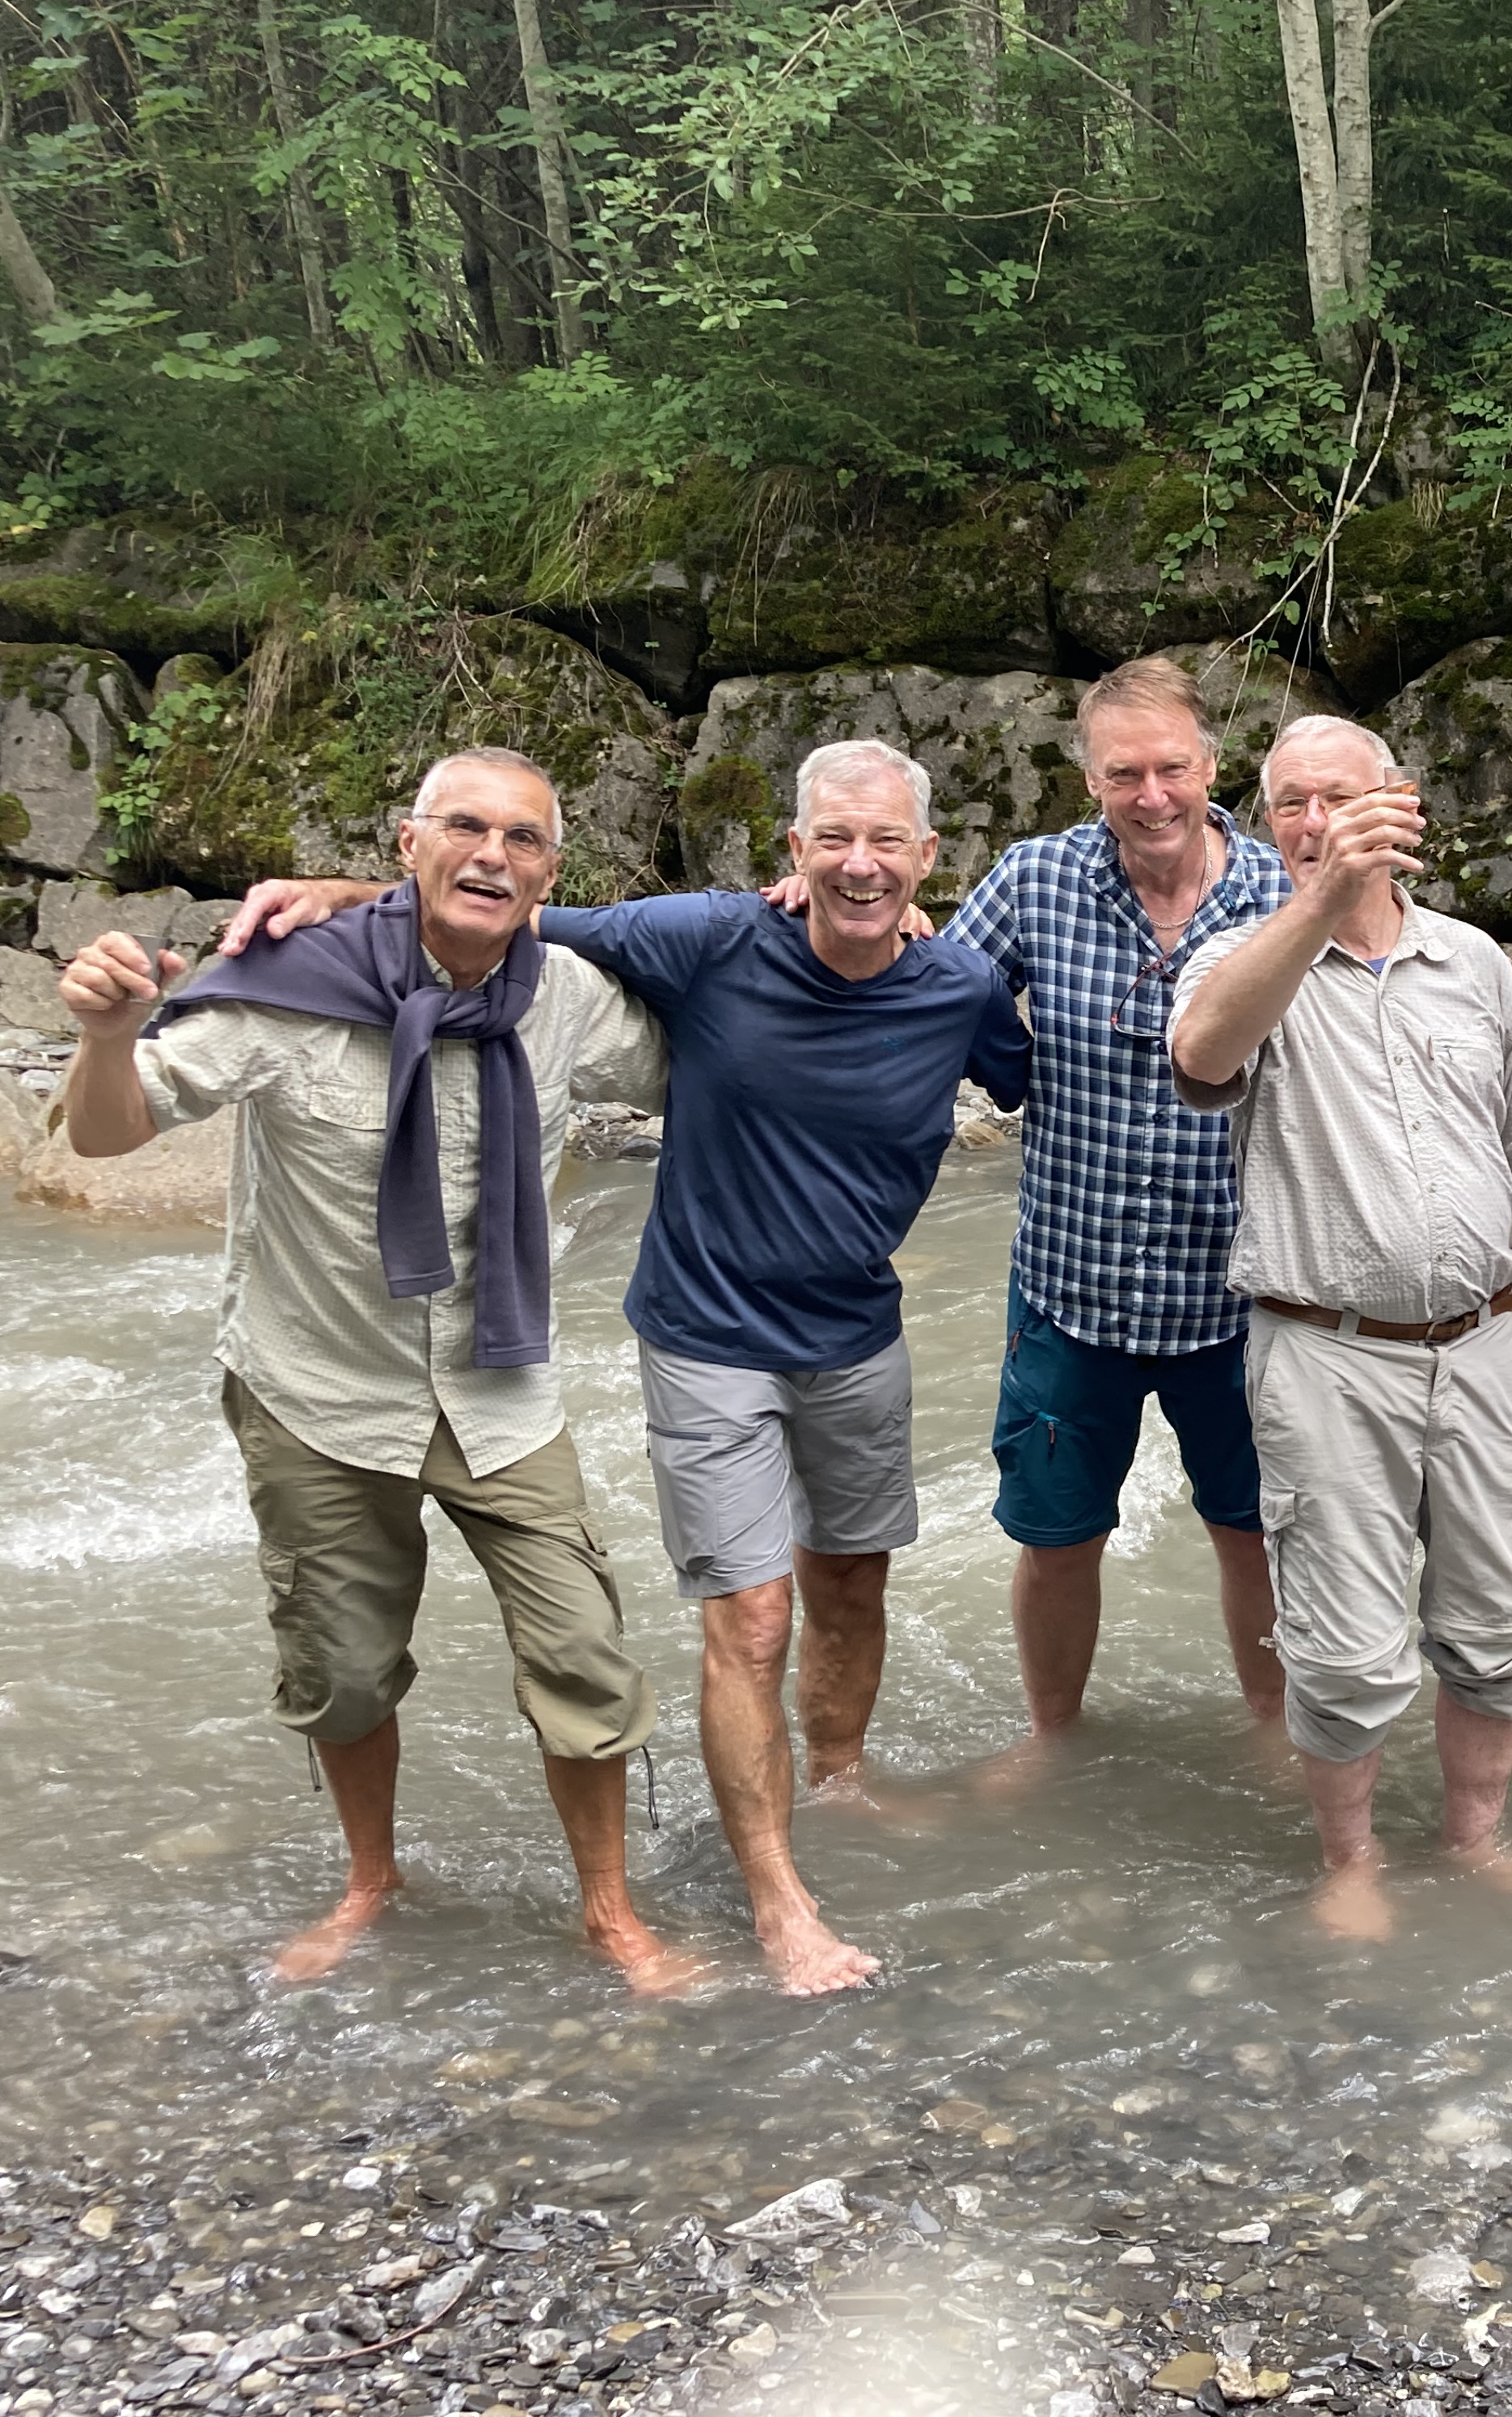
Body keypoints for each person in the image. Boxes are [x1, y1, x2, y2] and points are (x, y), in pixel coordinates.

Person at [225, 741, 1034, 1995]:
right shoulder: (705, 936)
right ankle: (778, 1899)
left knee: (851, 1584)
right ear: (793, 850)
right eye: (833, 839)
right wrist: (339, 897)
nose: (860, 865)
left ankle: (840, 1781)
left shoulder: (960, 984)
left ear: (930, 858)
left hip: (857, 1332)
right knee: (751, 1617)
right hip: (706, 1329)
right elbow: (500, 904)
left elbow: (1037, 1084)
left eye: (887, 844)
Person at [57, 749, 691, 1992]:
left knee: (584, 1655)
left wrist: (832, 923)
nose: (492, 854)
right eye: (465, 827)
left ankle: (610, 1914)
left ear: (551, 874)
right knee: (341, 1669)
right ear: (408, 845)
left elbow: (709, 1054)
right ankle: (370, 1881)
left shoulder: (566, 995)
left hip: (501, 1384)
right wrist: (108, 1034)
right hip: (318, 1388)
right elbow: (109, 1131)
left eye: (522, 840)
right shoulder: (288, 979)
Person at [1166, 714, 1512, 1942]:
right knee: (1341, 1643)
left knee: (1500, 1621)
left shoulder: (1472, 961)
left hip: (1485, 1346)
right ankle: (1350, 1862)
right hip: (1324, 1353)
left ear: (1401, 806)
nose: (1315, 820)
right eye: (1290, 802)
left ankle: (1477, 1841)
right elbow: (1203, 1056)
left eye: (1340, 797)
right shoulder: (1241, 958)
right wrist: (1319, 904)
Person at [944, 657, 1295, 1753]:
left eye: (1171, 769)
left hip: (1243, 1295)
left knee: (1257, 1534)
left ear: (1211, 765)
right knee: (1057, 1540)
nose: (1151, 796)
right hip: (1071, 1286)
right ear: (1090, 778)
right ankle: (1053, 1741)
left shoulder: (1284, 892)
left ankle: (1277, 1736)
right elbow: (923, 1000)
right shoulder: (1035, 879)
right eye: (1123, 774)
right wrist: (813, 914)